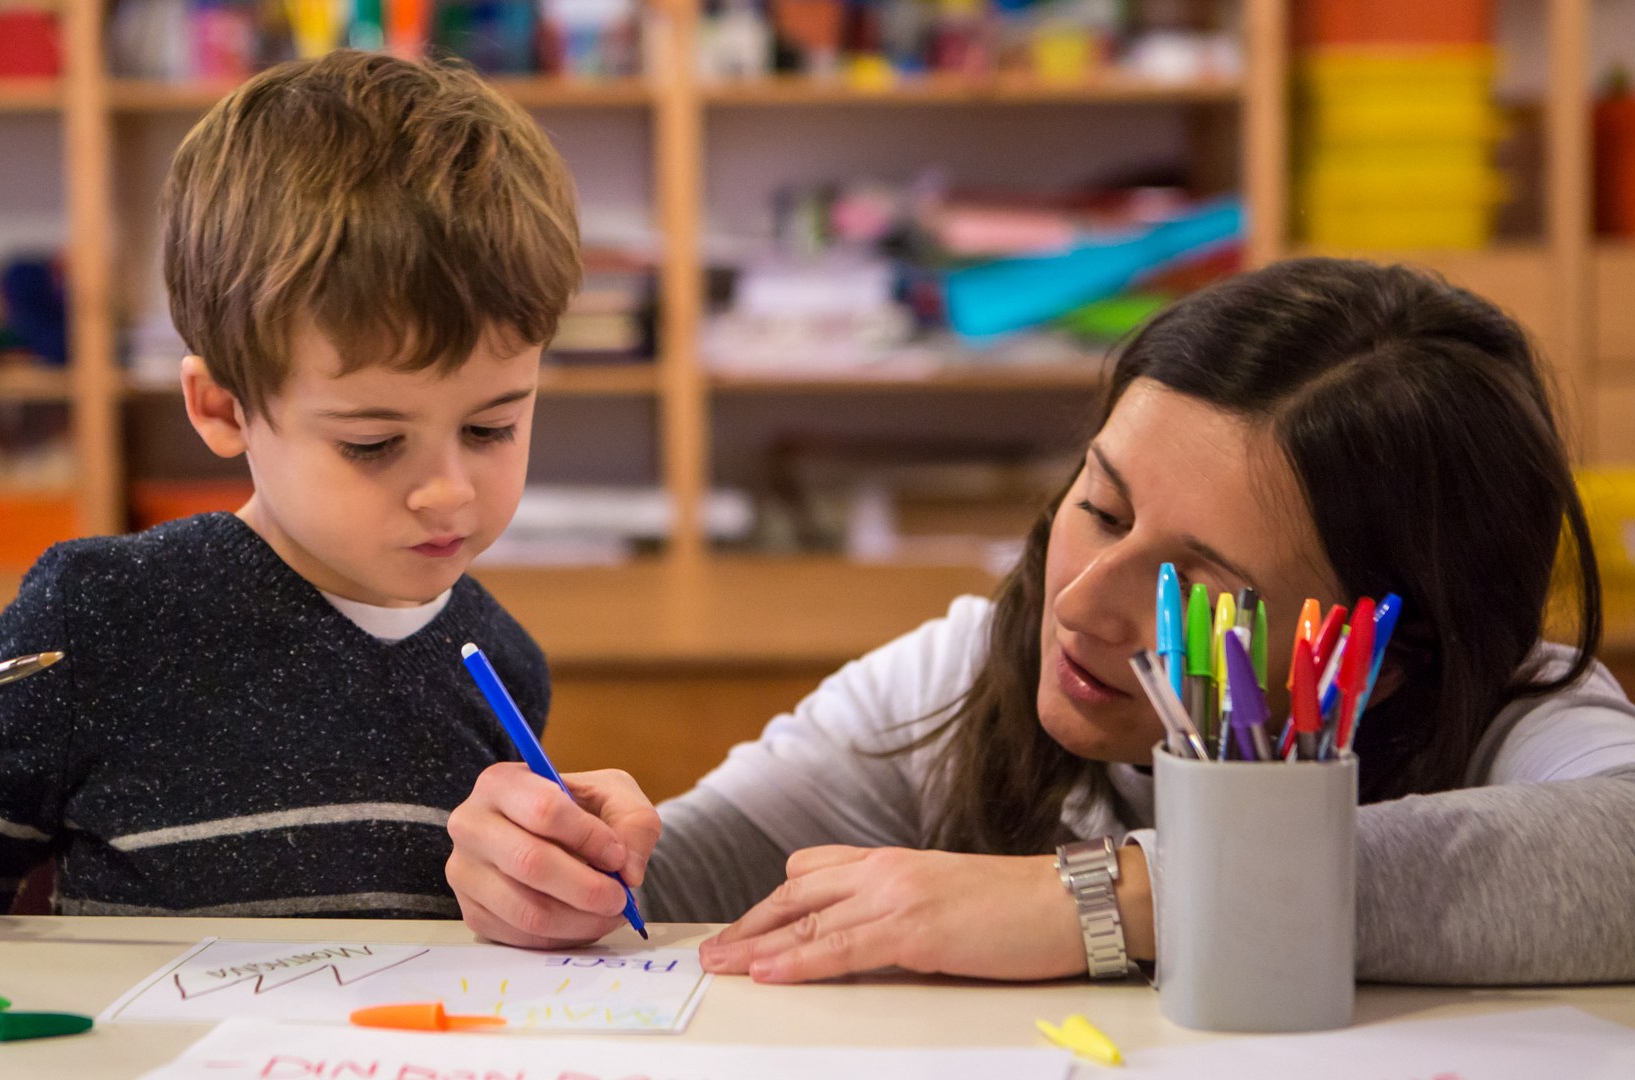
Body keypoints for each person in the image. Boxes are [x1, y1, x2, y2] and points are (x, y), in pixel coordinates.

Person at [445, 257, 1635, 985]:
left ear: (1386, 659)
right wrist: (569, 867)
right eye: (1100, 504)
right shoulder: (971, 671)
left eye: (1200, 591)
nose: (1081, 599)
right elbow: (691, 880)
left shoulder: (1507, 709)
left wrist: (1097, 903)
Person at [0, 50, 582, 924]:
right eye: (373, 443)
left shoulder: (501, 660)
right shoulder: (99, 619)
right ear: (222, 406)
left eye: (492, 427)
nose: (449, 493)